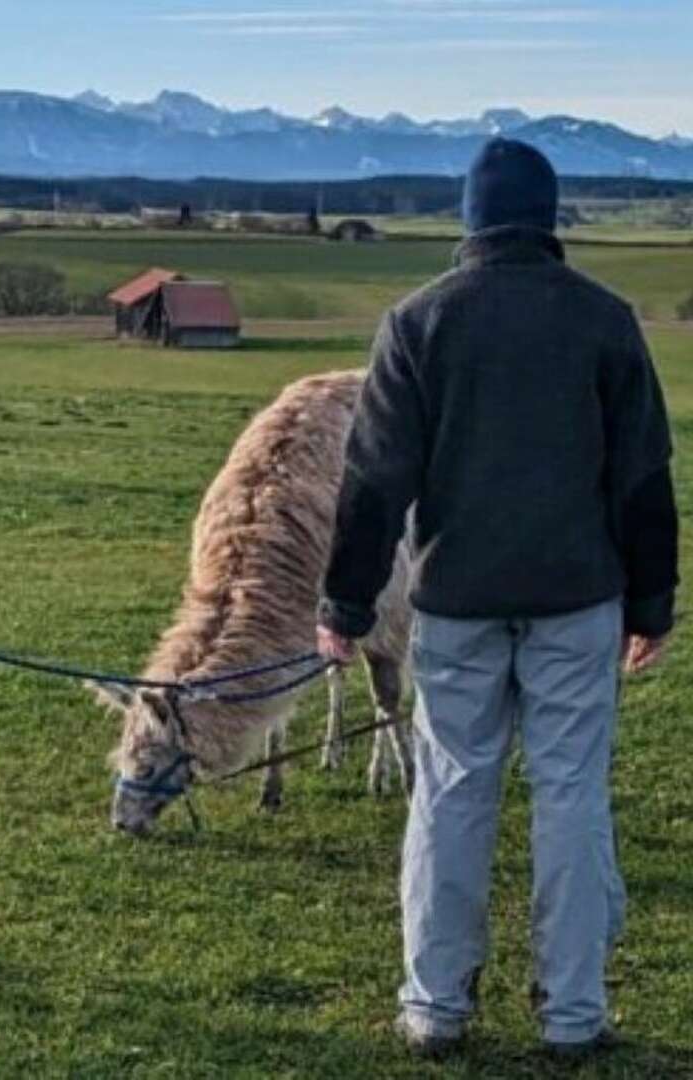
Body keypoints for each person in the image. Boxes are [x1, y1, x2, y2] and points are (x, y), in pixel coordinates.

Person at [316, 137, 678, 1060]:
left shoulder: (417, 321)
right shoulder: (604, 319)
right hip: (579, 599)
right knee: (572, 798)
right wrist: (652, 602)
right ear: (550, 219)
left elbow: (373, 481)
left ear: (469, 219)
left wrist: (344, 607)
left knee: (449, 792)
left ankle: (435, 1007)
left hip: (458, 604)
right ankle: (573, 1016)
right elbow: (643, 476)